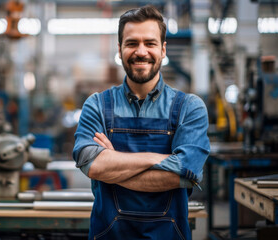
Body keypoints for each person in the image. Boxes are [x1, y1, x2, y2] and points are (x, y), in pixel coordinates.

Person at [73, 5, 210, 240]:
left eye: (150, 43)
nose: (141, 51)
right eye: (132, 43)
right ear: (120, 49)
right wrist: (158, 159)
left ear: (163, 49)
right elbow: (92, 165)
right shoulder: (96, 105)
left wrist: (113, 163)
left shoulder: (190, 107)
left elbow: (187, 172)